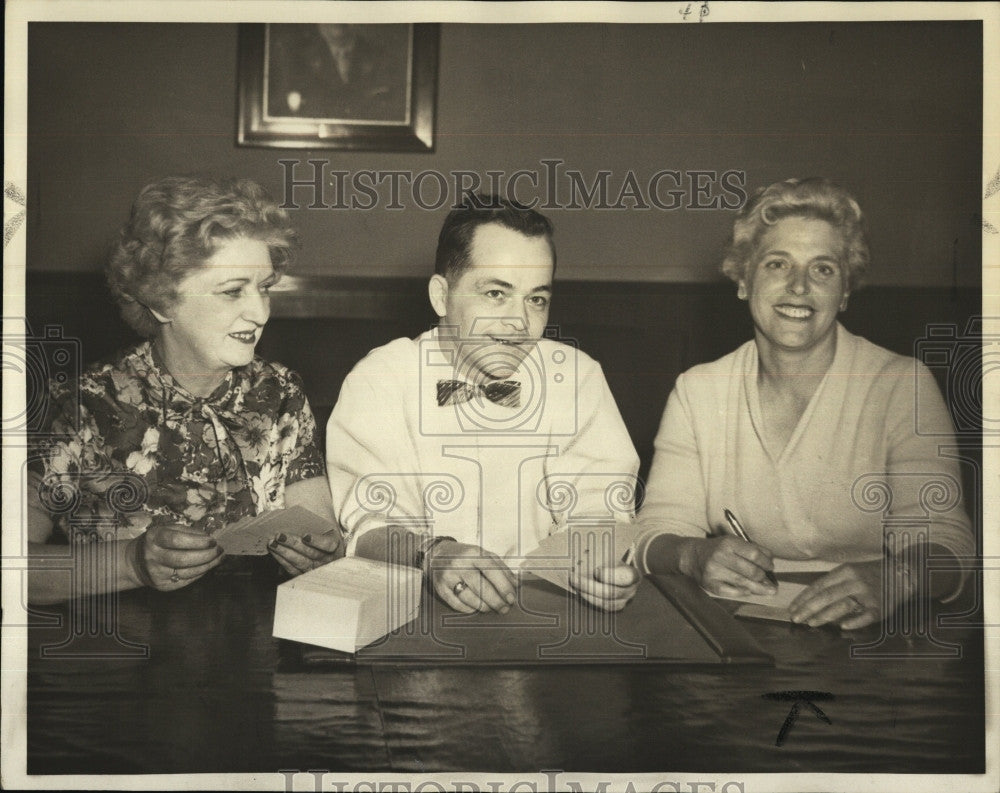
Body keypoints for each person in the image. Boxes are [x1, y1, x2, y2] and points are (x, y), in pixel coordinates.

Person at [634, 177, 974, 629]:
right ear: (743, 280)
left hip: (876, 635)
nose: (798, 287)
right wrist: (691, 554)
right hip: (745, 633)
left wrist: (896, 578)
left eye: (823, 269)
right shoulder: (699, 390)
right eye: (778, 264)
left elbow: (949, 544)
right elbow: (651, 531)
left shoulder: (901, 385)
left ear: (845, 292)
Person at [27, 176, 341, 604]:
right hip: (118, 653)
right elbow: (12, 567)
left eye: (265, 287)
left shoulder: (280, 393)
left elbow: (325, 538)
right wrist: (130, 563)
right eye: (233, 292)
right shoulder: (83, 403)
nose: (260, 311)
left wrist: (321, 552)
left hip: (254, 649)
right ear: (161, 300)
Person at [326, 195, 641, 614]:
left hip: (546, 613)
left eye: (536, 299)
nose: (519, 324)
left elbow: (601, 505)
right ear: (441, 295)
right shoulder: (380, 379)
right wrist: (434, 555)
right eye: (496, 293)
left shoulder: (577, 375)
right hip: (419, 614)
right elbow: (369, 530)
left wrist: (598, 566)